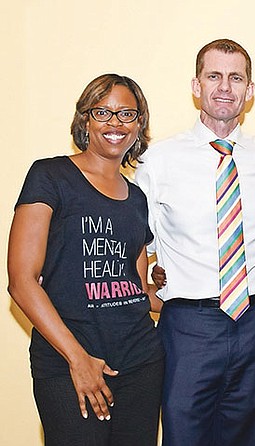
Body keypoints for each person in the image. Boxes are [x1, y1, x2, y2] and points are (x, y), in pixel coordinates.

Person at [134, 38, 255, 446]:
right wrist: (152, 283)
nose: (225, 87)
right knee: (184, 434)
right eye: (214, 76)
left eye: (236, 78)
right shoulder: (159, 160)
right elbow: (137, 239)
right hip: (188, 324)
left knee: (246, 435)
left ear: (250, 90)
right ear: (196, 85)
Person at [7, 74, 164, 446]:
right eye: (103, 112)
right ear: (85, 120)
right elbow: (21, 281)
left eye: (127, 113)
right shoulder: (50, 175)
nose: (115, 123)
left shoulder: (138, 197)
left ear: (139, 123)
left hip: (141, 362)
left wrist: (202, 299)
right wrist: (78, 359)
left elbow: (137, 288)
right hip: (67, 363)